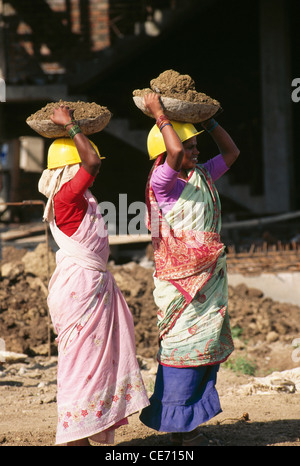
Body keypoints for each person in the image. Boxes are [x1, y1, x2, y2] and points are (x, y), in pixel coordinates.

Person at [38, 105, 149, 446]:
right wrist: (71, 125)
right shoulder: (68, 195)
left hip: (87, 287)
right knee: (82, 364)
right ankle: (76, 436)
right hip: (81, 290)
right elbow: (93, 163)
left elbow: (91, 165)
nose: (93, 175)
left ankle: (87, 431)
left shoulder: (78, 196)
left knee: (89, 364)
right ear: (68, 169)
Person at [139, 93, 240, 446]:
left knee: (203, 347)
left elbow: (232, 154)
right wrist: (159, 114)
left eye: (196, 146)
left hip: (208, 280)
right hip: (182, 286)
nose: (194, 153)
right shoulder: (162, 184)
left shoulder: (201, 175)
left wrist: (209, 120)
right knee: (182, 349)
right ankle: (176, 423)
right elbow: (176, 154)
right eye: (189, 147)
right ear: (164, 153)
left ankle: (191, 425)